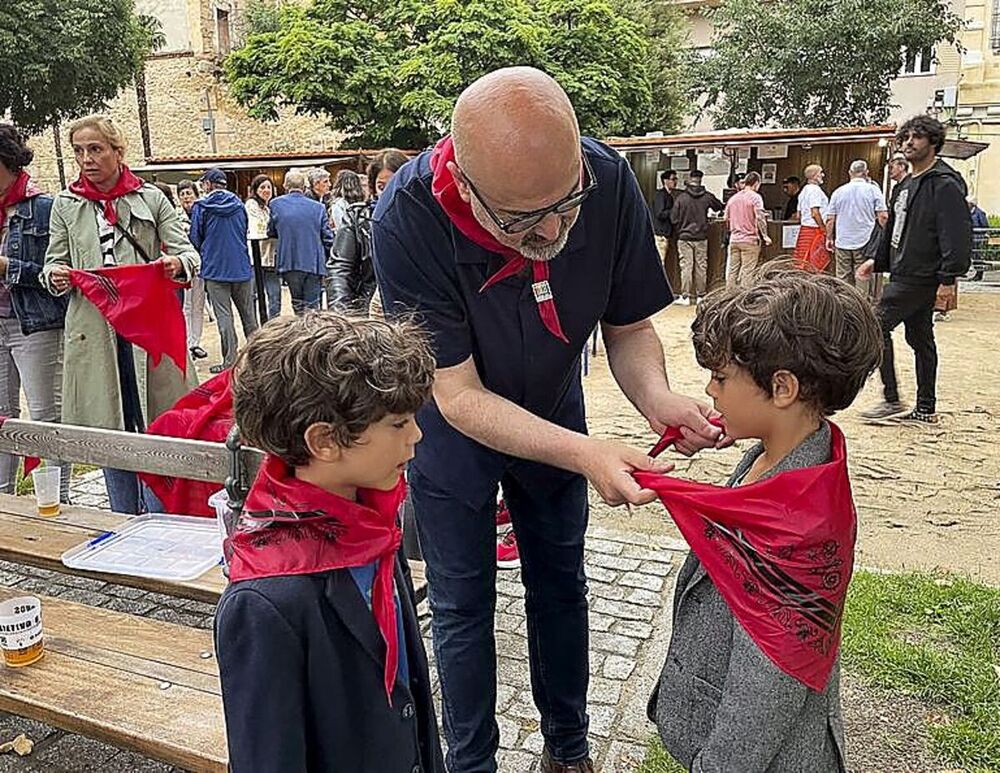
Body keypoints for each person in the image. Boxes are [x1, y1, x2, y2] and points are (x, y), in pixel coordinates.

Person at [371, 67, 722, 773]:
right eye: (525, 219)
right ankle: (472, 763)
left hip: (557, 403)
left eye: (567, 203)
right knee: (461, 600)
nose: (556, 229)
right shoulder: (406, 215)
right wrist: (589, 454)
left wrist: (658, 399)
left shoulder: (607, 178)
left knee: (561, 581)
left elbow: (627, 329)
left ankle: (569, 748)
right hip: (452, 426)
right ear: (467, 187)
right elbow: (461, 396)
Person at [649, 267, 881, 773]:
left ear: (782, 388)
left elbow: (767, 684)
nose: (709, 390)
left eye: (722, 377)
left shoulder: (799, 521)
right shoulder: (774, 458)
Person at [215, 311, 444, 773]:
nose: (417, 436)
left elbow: (407, 691)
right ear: (325, 441)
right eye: (399, 424)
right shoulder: (266, 601)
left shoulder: (369, 526)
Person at [42, 114, 198, 514]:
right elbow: (53, 261)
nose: (86, 159)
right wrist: (56, 276)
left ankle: (160, 517)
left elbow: (188, 252)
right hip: (95, 330)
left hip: (148, 329)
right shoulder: (66, 204)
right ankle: (123, 516)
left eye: (95, 149)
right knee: (109, 423)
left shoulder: (151, 198)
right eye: (78, 151)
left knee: (157, 421)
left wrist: (176, 265)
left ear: (117, 151)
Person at [858, 115, 972, 424]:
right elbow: (894, 228)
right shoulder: (905, 185)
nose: (909, 142)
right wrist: (877, 260)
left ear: (933, 142)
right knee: (921, 339)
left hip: (921, 276)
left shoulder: (944, 185)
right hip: (904, 271)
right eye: (906, 136)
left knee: (875, 325)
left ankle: (892, 398)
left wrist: (948, 278)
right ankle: (925, 408)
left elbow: (956, 233)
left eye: (917, 137)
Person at [0, 124, 71, 502]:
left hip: (35, 325)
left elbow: (57, 274)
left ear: (9, 163)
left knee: (47, 417)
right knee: (1, 418)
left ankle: (58, 501)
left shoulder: (45, 208)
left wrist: (7, 267)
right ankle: (5, 503)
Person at [189, 169, 258, 374]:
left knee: (224, 316)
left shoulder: (202, 207)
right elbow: (244, 230)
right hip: (241, 267)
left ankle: (229, 361)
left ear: (209, 184)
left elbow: (195, 237)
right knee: (249, 315)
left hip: (215, 268)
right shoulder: (239, 205)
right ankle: (258, 357)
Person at [268, 169, 335, 314]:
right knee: (313, 307)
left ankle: (301, 332)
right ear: (304, 187)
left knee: (297, 304)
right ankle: (313, 334)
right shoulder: (318, 208)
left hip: (289, 261)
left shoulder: (275, 204)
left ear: (285, 186)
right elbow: (327, 237)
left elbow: (271, 231)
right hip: (313, 263)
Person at [826, 159, 888, 298]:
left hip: (842, 241)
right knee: (862, 276)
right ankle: (861, 309)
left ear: (850, 173)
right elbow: (883, 216)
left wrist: (829, 238)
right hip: (865, 241)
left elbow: (830, 218)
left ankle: (844, 307)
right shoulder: (873, 190)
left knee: (842, 278)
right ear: (866, 173)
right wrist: (887, 236)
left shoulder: (838, 191)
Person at [671, 169, 724, 305]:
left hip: (684, 237)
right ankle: (701, 295)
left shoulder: (681, 198)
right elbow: (719, 207)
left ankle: (686, 297)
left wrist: (681, 228)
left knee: (686, 266)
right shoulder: (707, 196)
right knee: (701, 266)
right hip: (701, 237)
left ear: (690, 179)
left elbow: (673, 218)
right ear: (701, 180)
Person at [177, 180, 208, 360]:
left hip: (202, 265)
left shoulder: (202, 213)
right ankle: (188, 342)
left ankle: (196, 341)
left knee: (199, 304)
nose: (186, 197)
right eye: (182, 194)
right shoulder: (175, 216)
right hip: (186, 266)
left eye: (188, 193)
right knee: (186, 306)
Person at [723, 171, 770, 288]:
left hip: (734, 240)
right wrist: (765, 236)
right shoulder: (756, 197)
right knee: (747, 270)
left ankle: (729, 297)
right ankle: (744, 299)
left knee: (732, 270)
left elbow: (725, 218)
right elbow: (760, 217)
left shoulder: (733, 198)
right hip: (750, 239)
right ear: (756, 183)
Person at [244, 174, 281, 320]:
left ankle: (273, 327)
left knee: (274, 295)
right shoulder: (251, 205)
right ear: (255, 189)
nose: (266, 190)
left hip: (270, 257)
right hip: (256, 258)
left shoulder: (269, 208)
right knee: (253, 295)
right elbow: (259, 228)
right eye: (262, 187)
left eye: (269, 187)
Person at [793, 164, 830, 271]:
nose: (823, 175)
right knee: (813, 264)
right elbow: (814, 212)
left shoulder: (803, 191)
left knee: (801, 262)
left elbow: (798, 215)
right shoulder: (815, 190)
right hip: (814, 230)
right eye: (820, 173)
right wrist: (823, 229)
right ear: (814, 176)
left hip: (804, 230)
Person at [651, 170, 677, 273]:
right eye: (673, 179)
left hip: (664, 233)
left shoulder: (668, 195)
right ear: (665, 181)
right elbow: (660, 213)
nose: (675, 182)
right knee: (659, 262)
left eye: (676, 179)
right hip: (660, 234)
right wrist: (674, 211)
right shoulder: (661, 195)